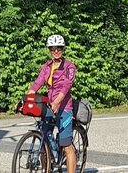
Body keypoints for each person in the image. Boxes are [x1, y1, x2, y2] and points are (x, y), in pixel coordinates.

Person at [26, 34, 76, 173]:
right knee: (44, 139)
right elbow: (38, 82)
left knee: (66, 146)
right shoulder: (47, 66)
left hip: (64, 107)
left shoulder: (69, 67)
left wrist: (57, 102)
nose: (56, 51)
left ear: (63, 49)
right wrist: (28, 96)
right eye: (52, 48)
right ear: (49, 49)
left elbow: (66, 86)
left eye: (59, 48)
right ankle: (46, 168)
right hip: (50, 106)